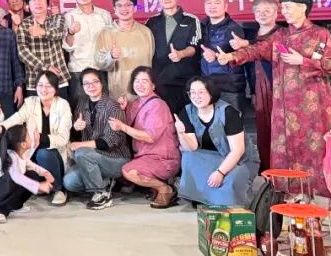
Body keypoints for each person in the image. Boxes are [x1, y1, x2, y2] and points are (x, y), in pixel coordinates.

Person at [219, 0, 331, 201]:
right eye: (283, 7)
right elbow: (257, 50)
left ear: (303, 7)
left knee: (314, 148)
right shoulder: (280, 36)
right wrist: (232, 56)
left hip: (312, 106)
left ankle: (320, 195)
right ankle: (290, 192)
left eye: (288, 7)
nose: (285, 12)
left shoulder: (320, 35)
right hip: (283, 106)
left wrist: (303, 61)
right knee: (285, 149)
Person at [0, 70, 72, 206]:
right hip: (32, 152)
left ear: (56, 88)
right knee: (16, 155)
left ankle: (59, 189)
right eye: (40, 85)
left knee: (44, 153)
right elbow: (17, 118)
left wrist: (42, 139)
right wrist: (0, 128)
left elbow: (63, 138)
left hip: (55, 155)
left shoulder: (63, 105)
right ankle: (42, 185)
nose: (44, 89)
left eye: (48, 86)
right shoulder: (30, 102)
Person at [176, 77, 257, 207]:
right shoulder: (187, 111)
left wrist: (220, 173)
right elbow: (192, 147)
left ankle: (217, 197)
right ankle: (203, 197)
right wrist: (181, 134)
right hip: (209, 158)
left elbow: (238, 150)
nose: (196, 96)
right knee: (189, 156)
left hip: (238, 160)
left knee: (229, 189)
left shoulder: (228, 112)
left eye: (201, 92)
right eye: (193, 93)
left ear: (211, 92)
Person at [111, 67, 180, 209]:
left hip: (162, 159)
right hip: (143, 156)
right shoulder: (136, 103)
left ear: (153, 85)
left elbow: (149, 137)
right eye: (137, 81)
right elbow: (131, 125)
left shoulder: (158, 105)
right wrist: (125, 109)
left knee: (129, 171)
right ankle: (156, 186)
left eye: (145, 81)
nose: (140, 85)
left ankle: (165, 189)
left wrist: (122, 126)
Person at [63, 69, 130, 210]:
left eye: (95, 82)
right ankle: (105, 181)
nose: (91, 86)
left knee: (81, 152)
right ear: (82, 86)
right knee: (69, 182)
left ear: (102, 83)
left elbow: (107, 142)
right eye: (86, 83)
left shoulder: (113, 106)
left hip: (115, 158)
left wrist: (80, 145)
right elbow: (75, 136)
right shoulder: (82, 104)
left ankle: (101, 193)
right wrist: (75, 127)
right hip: (92, 158)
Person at [228, 0, 279, 170]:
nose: (263, 14)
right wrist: (254, 91)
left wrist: (246, 44)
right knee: (263, 131)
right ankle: (267, 170)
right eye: (259, 11)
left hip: (280, 89)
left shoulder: (282, 34)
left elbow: (266, 47)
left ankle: (283, 171)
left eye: (267, 11)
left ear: (276, 13)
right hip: (258, 88)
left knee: (280, 132)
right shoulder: (251, 35)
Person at [145, 0, 201, 116]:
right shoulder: (151, 22)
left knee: (187, 119)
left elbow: (195, 46)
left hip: (186, 79)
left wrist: (181, 54)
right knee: (164, 119)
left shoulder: (191, 20)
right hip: (160, 81)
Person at [0, 125, 53, 224]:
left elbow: (32, 165)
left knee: (32, 175)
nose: (31, 137)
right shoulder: (11, 157)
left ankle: (14, 205)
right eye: (28, 136)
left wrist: (45, 173)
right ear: (23, 144)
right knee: (13, 178)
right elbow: (16, 177)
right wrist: (38, 186)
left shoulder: (21, 156)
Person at [94, 0, 155, 100]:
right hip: (119, 93)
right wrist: (110, 56)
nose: (124, 9)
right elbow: (99, 63)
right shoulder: (106, 33)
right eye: (119, 5)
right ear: (114, 9)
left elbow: (152, 59)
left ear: (135, 8)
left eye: (128, 5)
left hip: (144, 93)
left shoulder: (145, 32)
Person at [15, 0, 71, 100]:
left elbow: (59, 33)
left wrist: (42, 32)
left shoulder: (57, 19)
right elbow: (22, 52)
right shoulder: (24, 24)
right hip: (35, 81)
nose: (38, 3)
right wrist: (46, 67)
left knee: (62, 110)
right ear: (28, 5)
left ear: (47, 2)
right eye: (34, 0)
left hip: (59, 79)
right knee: (36, 112)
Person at [62, 0, 113, 98]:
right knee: (80, 107)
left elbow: (110, 42)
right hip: (78, 71)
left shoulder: (104, 15)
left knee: (103, 107)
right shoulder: (68, 17)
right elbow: (68, 48)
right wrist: (71, 32)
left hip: (101, 70)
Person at [198, 0, 247, 112]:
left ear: (225, 6)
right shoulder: (200, 26)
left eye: (217, 3)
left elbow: (243, 55)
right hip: (207, 86)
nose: (212, 6)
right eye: (208, 3)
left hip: (229, 87)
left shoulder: (233, 28)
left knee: (232, 121)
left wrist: (216, 55)